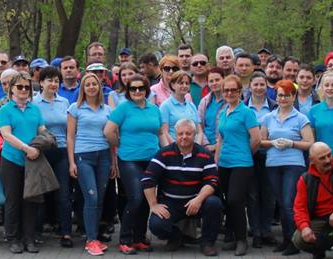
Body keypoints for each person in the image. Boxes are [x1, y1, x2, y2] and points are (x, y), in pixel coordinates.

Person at [142, 119, 222, 256]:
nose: (184, 137)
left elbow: (212, 181)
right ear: (175, 135)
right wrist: (153, 205)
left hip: (195, 202)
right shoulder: (164, 153)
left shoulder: (204, 154)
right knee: (156, 225)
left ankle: (207, 243)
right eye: (180, 134)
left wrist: (199, 199)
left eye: (188, 133)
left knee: (214, 203)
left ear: (194, 135)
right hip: (170, 203)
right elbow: (148, 179)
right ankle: (176, 237)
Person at [104, 74, 163, 254]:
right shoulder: (123, 108)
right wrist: (119, 144)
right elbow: (108, 131)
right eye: (133, 88)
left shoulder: (154, 109)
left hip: (151, 159)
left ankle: (139, 238)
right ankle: (125, 239)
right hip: (129, 159)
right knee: (136, 197)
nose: (137, 91)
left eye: (141, 88)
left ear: (146, 90)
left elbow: (160, 133)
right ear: (128, 91)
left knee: (146, 199)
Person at [261, 79, 313, 255]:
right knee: (282, 203)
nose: (283, 99)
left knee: (289, 202)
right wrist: (272, 142)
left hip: (293, 164)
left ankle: (294, 241)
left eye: (287, 95)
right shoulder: (268, 117)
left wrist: (292, 143)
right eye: (280, 95)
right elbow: (261, 141)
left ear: (293, 96)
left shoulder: (301, 118)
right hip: (273, 164)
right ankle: (286, 238)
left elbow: (310, 142)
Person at [0, 72, 46, 254]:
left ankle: (29, 238)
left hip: (32, 161)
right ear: (11, 89)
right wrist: (27, 148)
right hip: (12, 160)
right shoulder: (5, 110)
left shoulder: (35, 109)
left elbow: (42, 130)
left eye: (27, 87)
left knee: (30, 201)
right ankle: (13, 238)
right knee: (13, 201)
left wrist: (42, 144)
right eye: (20, 86)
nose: (24, 90)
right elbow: (6, 134)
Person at [68, 72, 114, 256]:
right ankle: (91, 239)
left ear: (99, 86)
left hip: (103, 156)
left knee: (100, 198)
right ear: (83, 88)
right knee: (91, 197)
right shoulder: (75, 108)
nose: (91, 87)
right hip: (83, 156)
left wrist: (113, 162)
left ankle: (94, 237)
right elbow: (70, 137)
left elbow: (111, 137)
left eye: (94, 84)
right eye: (87, 84)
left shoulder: (107, 109)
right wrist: (71, 162)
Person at [215, 75, 260, 255]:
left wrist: (245, 154)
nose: (229, 93)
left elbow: (256, 139)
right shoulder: (223, 112)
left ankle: (242, 239)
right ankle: (232, 237)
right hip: (224, 163)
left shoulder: (247, 112)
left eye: (233, 90)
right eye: (226, 90)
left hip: (242, 163)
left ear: (240, 91)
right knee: (228, 200)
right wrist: (216, 161)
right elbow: (220, 139)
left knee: (236, 200)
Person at [33, 66, 72, 247]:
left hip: (62, 151)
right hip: (42, 152)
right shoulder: (34, 103)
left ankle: (66, 232)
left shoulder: (64, 102)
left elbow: (69, 130)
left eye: (56, 81)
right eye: (50, 80)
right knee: (40, 194)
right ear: (41, 82)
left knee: (63, 194)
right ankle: (36, 232)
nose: (53, 84)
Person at [245, 71, 278, 249]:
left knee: (269, 194)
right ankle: (256, 232)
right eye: (255, 84)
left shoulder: (274, 106)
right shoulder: (243, 106)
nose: (258, 88)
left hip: (269, 155)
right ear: (249, 87)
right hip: (248, 156)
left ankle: (266, 231)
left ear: (267, 86)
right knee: (252, 195)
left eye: (262, 84)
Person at [159, 71, 200, 144]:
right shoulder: (165, 106)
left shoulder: (192, 106)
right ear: (173, 85)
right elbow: (164, 132)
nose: (184, 86)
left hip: (193, 148)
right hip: (175, 148)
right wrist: (177, 148)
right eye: (181, 83)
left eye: (187, 83)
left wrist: (197, 147)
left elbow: (199, 131)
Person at [197, 67, 226, 152]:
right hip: (206, 148)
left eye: (217, 80)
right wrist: (206, 144)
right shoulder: (204, 102)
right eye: (211, 81)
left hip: (225, 147)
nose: (214, 83)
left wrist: (216, 146)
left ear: (224, 80)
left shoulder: (230, 101)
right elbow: (199, 125)